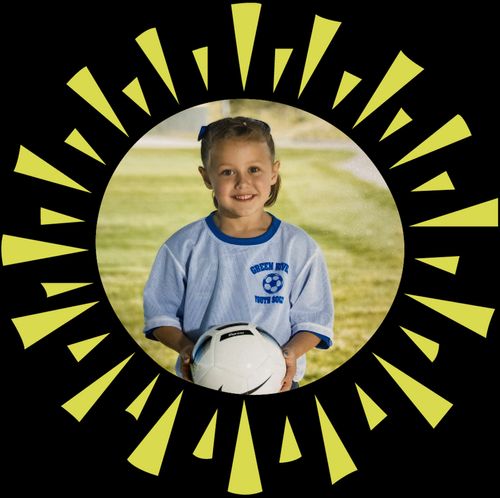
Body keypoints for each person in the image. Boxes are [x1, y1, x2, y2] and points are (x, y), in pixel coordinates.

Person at [143, 116, 334, 391]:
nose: (243, 182)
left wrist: (291, 353)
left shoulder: (299, 247)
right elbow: (160, 316)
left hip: (276, 383)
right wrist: (185, 347)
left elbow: (314, 320)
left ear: (273, 172)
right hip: (203, 379)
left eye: (254, 169)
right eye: (227, 172)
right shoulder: (182, 247)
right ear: (206, 176)